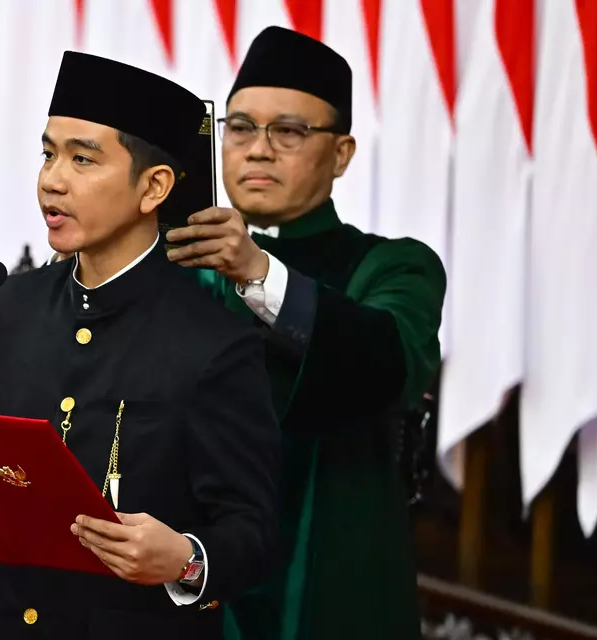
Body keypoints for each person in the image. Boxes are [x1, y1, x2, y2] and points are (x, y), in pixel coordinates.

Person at [0, 51, 281, 639]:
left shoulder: (214, 341)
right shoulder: (12, 305)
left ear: (154, 187)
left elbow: (256, 532)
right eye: (48, 154)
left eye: (83, 159)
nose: (51, 180)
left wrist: (186, 558)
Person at [165, 27, 447, 640]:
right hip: (181, 579)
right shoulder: (175, 261)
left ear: (341, 154)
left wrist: (256, 273)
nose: (258, 150)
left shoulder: (393, 266)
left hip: (318, 581)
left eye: (288, 132)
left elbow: (388, 361)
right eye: (239, 128)